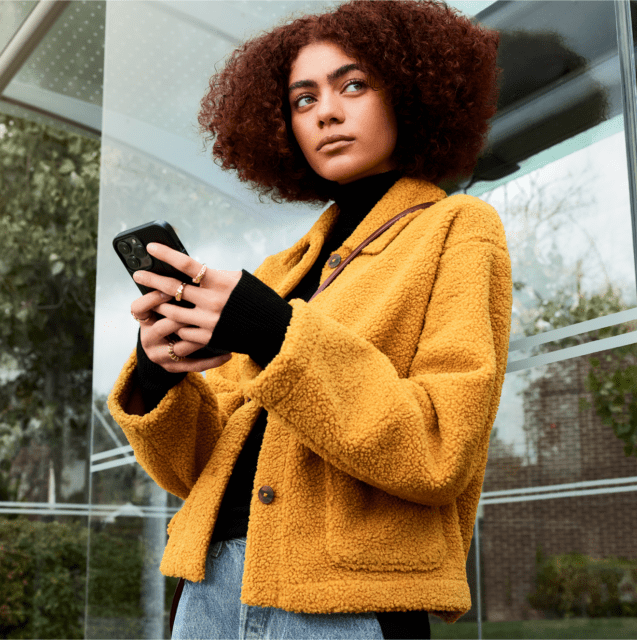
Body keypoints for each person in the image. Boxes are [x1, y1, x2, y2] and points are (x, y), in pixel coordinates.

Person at [107, 1, 511, 638]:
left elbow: (439, 452)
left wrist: (273, 331)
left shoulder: (458, 230)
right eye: (302, 99)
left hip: (346, 602)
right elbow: (194, 470)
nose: (326, 111)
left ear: (410, 94)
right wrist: (162, 376)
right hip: (209, 587)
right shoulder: (279, 271)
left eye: (354, 84)